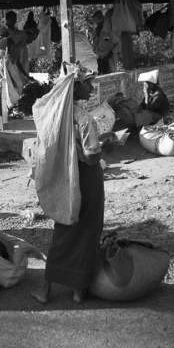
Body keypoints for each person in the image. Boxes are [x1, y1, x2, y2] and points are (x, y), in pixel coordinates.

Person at [32, 67, 105, 304]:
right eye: (88, 84)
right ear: (77, 86)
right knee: (87, 229)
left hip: (64, 176)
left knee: (64, 228)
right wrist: (112, 143)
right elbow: (92, 156)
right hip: (86, 177)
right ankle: (78, 290)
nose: (92, 88)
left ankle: (46, 288)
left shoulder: (55, 114)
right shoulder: (84, 118)